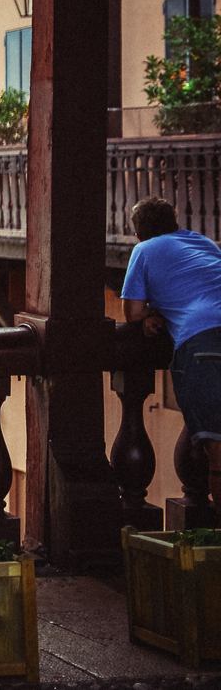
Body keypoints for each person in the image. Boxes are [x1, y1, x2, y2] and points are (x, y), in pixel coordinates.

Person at [121, 196, 221, 512]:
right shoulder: (203, 243)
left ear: (138, 234)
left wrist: (153, 311)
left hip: (202, 341)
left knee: (217, 448)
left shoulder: (144, 251)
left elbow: (133, 312)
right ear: (175, 223)